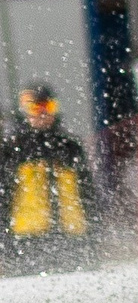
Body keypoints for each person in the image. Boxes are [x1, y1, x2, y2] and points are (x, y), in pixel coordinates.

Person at [3, 84, 98, 272]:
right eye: (36, 108)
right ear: (25, 113)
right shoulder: (13, 149)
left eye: (49, 107)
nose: (43, 114)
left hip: (72, 239)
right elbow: (3, 199)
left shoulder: (70, 146)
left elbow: (87, 195)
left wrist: (93, 237)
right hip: (26, 242)